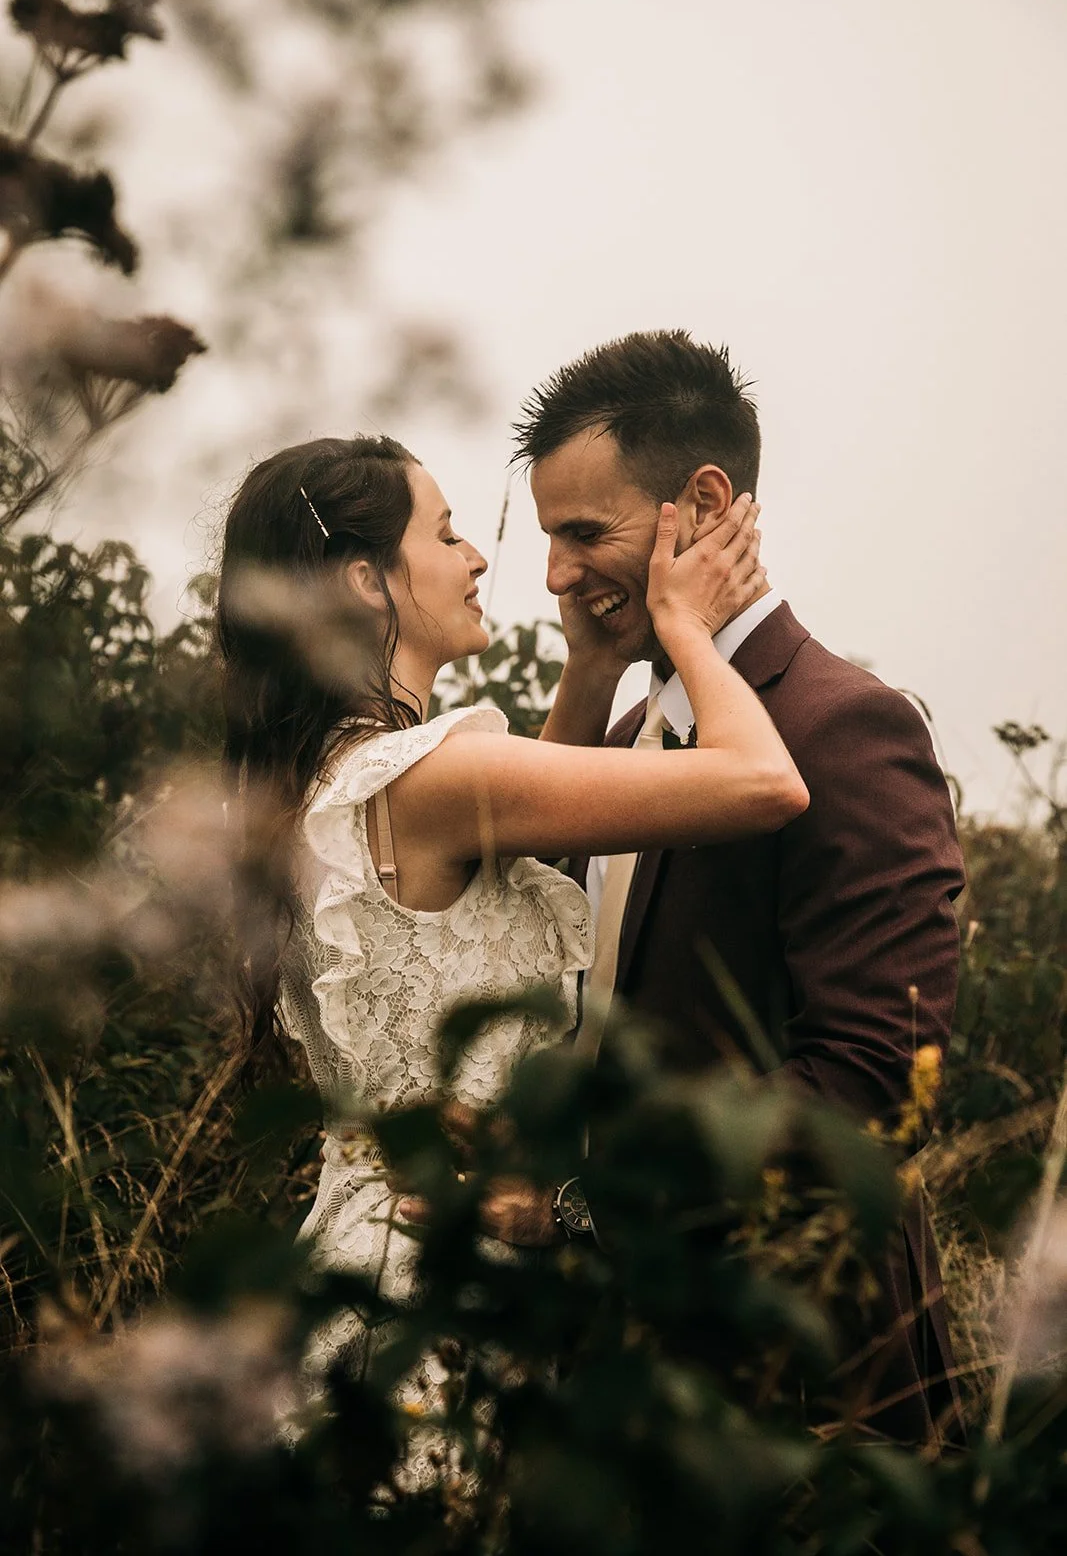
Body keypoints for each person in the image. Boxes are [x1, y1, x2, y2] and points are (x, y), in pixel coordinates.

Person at [216, 433, 807, 1464]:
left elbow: (514, 811)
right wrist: (685, 626)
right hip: (433, 1295)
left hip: (370, 1253)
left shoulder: (334, 778)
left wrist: (585, 667)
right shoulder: (429, 778)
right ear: (366, 580)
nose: (480, 558)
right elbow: (762, 782)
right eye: (445, 533)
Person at [491, 328, 967, 1447]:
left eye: (580, 532)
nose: (554, 573)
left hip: (792, 1378)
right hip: (622, 1368)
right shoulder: (623, 723)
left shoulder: (841, 726)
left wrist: (582, 1206)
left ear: (701, 503)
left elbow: (866, 1083)